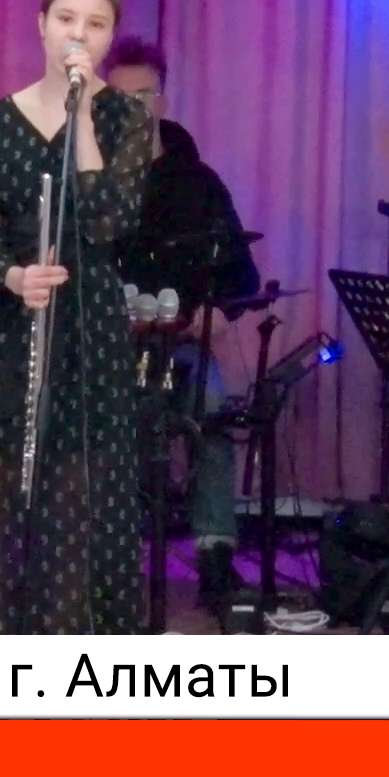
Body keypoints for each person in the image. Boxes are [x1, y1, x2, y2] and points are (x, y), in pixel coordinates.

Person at [0, 0, 152, 634]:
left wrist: (83, 112)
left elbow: (106, 220)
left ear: (109, 38)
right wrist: (14, 277)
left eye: (95, 24)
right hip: (14, 330)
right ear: (41, 24)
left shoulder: (127, 117)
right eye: (66, 18)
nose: (78, 34)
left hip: (87, 332)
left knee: (73, 508)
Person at [105, 37, 261, 621]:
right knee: (101, 422)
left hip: (184, 348)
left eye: (144, 96)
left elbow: (243, 278)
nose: (134, 109)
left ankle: (215, 554)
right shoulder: (89, 180)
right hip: (110, 353)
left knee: (211, 411)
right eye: (121, 98)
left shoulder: (199, 182)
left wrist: (210, 318)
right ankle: (109, 559)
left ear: (162, 102)